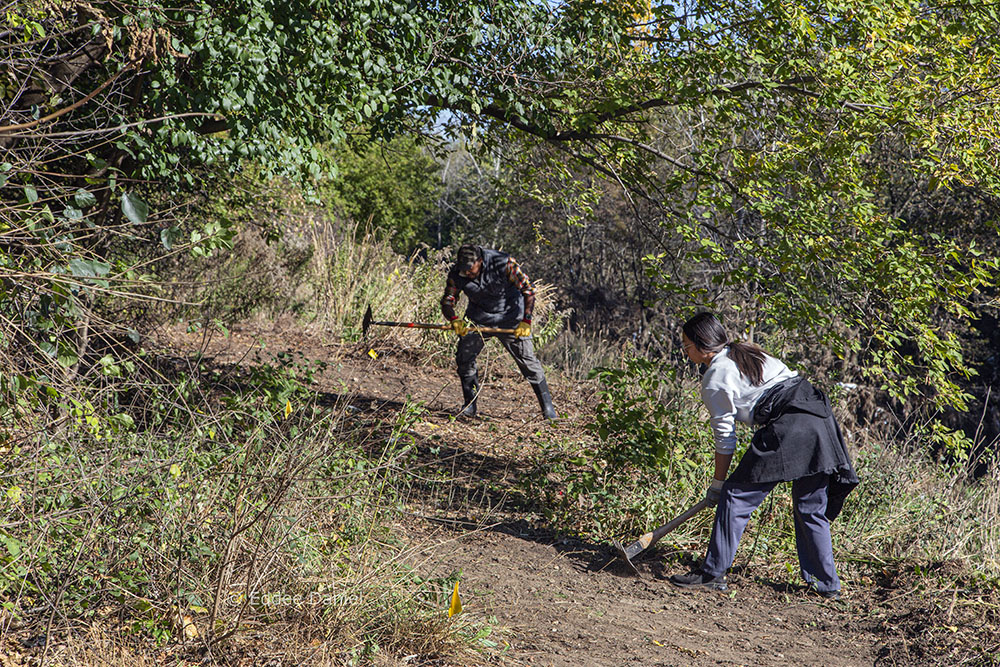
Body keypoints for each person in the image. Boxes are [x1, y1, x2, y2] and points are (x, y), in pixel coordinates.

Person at [669, 312, 858, 599]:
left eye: (686, 346)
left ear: (702, 346)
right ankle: (827, 586)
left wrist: (719, 485)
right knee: (810, 506)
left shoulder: (716, 377)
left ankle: (712, 573)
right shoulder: (745, 351)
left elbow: (725, 439)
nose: (685, 352)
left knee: (735, 495)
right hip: (819, 417)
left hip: (792, 424)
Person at [441, 244, 557, 421]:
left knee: (529, 363)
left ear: (480, 261)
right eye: (464, 270)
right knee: (464, 358)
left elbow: (528, 290)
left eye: (471, 269)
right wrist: (454, 319)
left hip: (511, 319)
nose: (468, 274)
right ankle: (470, 405)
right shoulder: (457, 273)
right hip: (478, 318)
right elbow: (448, 301)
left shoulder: (503, 263)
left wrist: (526, 321)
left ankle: (548, 410)